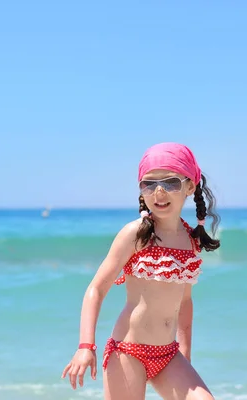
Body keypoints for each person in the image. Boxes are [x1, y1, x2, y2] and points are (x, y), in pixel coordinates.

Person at [61, 142, 221, 399]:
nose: (159, 191)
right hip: (128, 351)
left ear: (190, 186)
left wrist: (186, 357)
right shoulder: (135, 234)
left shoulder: (192, 241)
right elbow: (96, 289)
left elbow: (186, 302)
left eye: (170, 182)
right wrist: (85, 346)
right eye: (149, 183)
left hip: (169, 355)